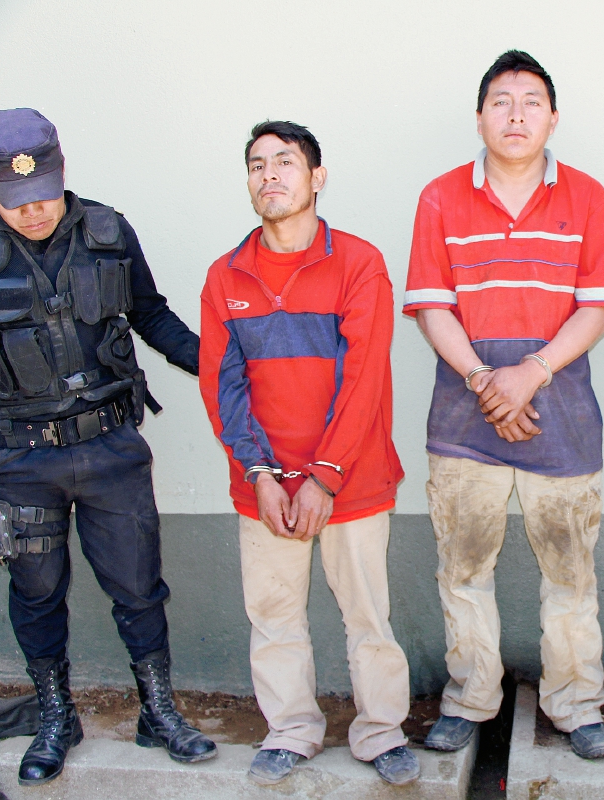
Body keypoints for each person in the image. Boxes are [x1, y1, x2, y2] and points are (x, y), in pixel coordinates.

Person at [0, 108, 215, 786]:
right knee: (36, 593)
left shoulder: (108, 231)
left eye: (45, 194)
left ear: (63, 172)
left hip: (110, 449)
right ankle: (57, 717)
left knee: (139, 590)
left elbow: (150, 314)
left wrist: (220, 363)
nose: (32, 211)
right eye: (14, 200)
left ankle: (158, 711)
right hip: (19, 459)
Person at [404, 50, 604, 760]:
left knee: (570, 574)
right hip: (465, 425)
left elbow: (597, 308)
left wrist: (529, 372)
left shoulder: (588, 197)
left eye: (532, 101)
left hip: (562, 422)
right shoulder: (440, 197)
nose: (518, 114)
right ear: (480, 118)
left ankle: (576, 703)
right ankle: (470, 699)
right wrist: (484, 382)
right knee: (463, 571)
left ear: (553, 117)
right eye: (502, 101)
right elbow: (434, 308)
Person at [199, 121, 417, 786]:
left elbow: (364, 381)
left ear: (316, 178)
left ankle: (381, 732)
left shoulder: (357, 262)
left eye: (285, 162)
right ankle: (290, 728)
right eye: (258, 165)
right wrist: (260, 472)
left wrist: (323, 475)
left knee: (367, 615)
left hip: (350, 482)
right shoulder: (225, 276)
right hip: (262, 485)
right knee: (272, 613)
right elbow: (222, 387)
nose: (270, 175)